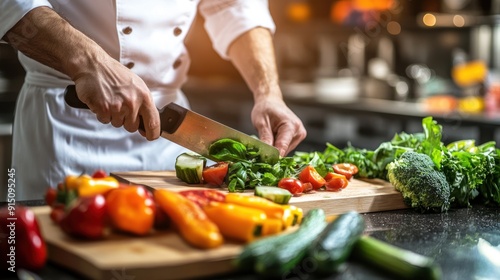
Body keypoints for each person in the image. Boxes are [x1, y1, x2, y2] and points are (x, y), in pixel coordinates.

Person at [0, 1, 307, 201]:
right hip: (68, 126)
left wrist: (268, 92)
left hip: (167, 139)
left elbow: (235, 7)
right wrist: (90, 64)